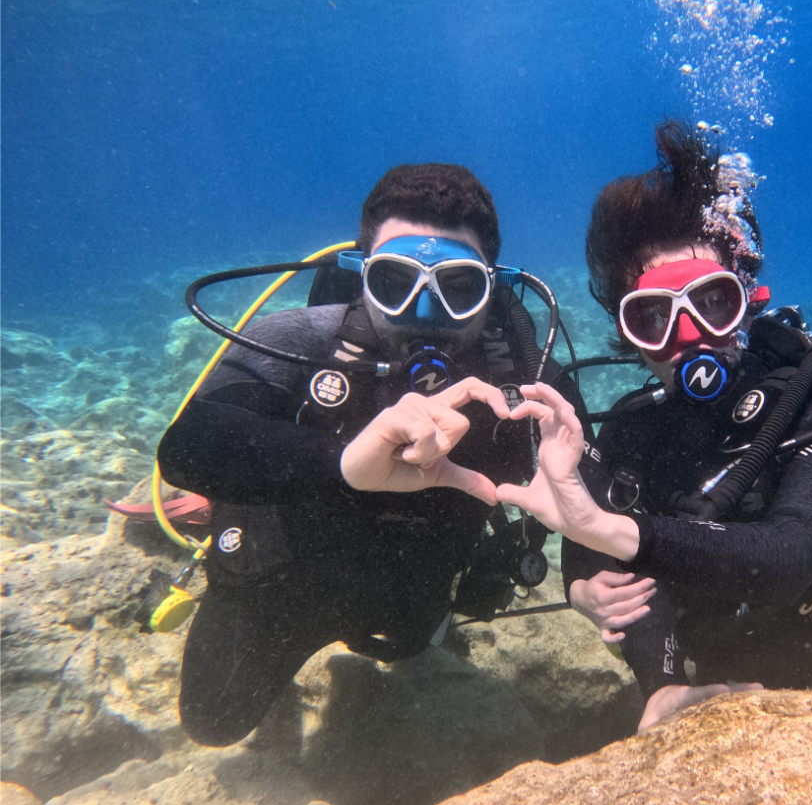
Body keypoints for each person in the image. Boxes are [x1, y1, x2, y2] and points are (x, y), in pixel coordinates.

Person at [498, 122, 812, 734]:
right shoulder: (635, 428)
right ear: (626, 331)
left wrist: (611, 529)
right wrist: (647, 672)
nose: (687, 336)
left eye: (712, 301)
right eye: (653, 316)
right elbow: (592, 554)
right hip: (702, 687)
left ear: (748, 296)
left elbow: (789, 555)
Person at [158, 162, 570, 747]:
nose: (425, 313)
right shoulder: (300, 337)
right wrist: (343, 463)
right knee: (213, 720)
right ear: (361, 275)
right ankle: (210, 516)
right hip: (281, 576)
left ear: (492, 285)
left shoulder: (521, 374)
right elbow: (188, 446)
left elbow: (595, 471)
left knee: (407, 648)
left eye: (457, 288)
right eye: (395, 282)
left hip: (412, 585)